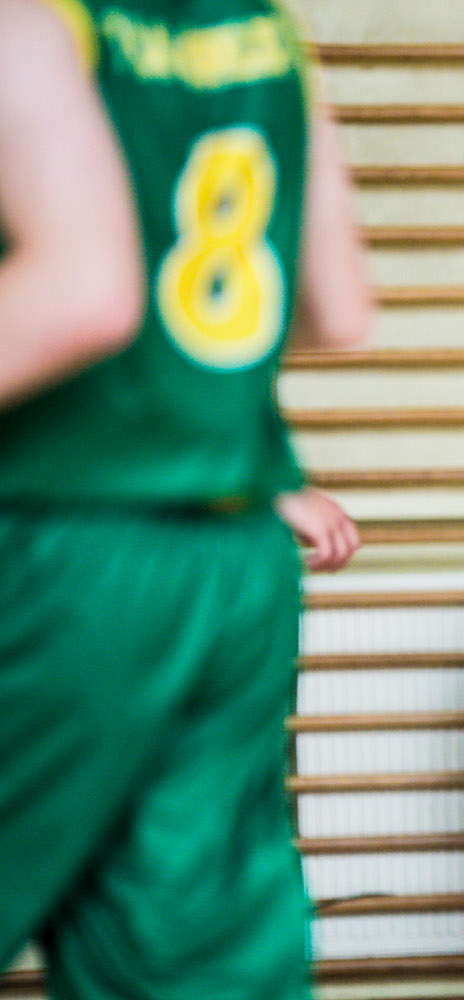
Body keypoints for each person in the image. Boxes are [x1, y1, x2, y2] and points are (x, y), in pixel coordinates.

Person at [0, 1, 371, 997]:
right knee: (187, 961)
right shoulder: (273, 37)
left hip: (61, 540)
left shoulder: (38, 21)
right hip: (233, 553)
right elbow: (336, 303)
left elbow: (84, 293)